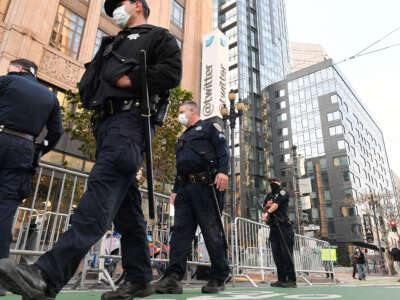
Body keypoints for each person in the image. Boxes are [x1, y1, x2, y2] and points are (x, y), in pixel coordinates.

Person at [0, 1, 181, 299]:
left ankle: (48, 275)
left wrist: (132, 79)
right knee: (127, 208)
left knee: (100, 193)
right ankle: (138, 278)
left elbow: (172, 73)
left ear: (137, 5)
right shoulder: (112, 42)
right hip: (107, 126)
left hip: (130, 122)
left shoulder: (157, 37)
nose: (114, 11)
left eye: (119, 4)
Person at [0, 58, 63, 297]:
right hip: (24, 148)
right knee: (5, 208)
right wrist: (39, 150)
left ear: (18, 69)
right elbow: (57, 132)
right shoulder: (50, 97)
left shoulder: (7, 82)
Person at [154, 101, 230, 294]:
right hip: (185, 190)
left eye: (181, 112)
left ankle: (219, 276)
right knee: (179, 234)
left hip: (206, 187)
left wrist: (223, 171)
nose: (179, 115)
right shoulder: (182, 137)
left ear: (192, 111)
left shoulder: (208, 127)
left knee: (211, 232)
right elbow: (181, 166)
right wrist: (174, 188)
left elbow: (222, 148)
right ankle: (173, 277)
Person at [262, 178, 297, 288]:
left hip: (284, 226)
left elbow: (276, 205)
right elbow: (264, 208)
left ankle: (291, 280)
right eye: (270, 182)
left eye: (274, 182)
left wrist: (268, 211)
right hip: (273, 228)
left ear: (279, 182)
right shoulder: (269, 195)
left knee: (286, 253)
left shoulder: (283, 192)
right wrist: (267, 205)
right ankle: (281, 280)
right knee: (276, 254)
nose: (272, 184)